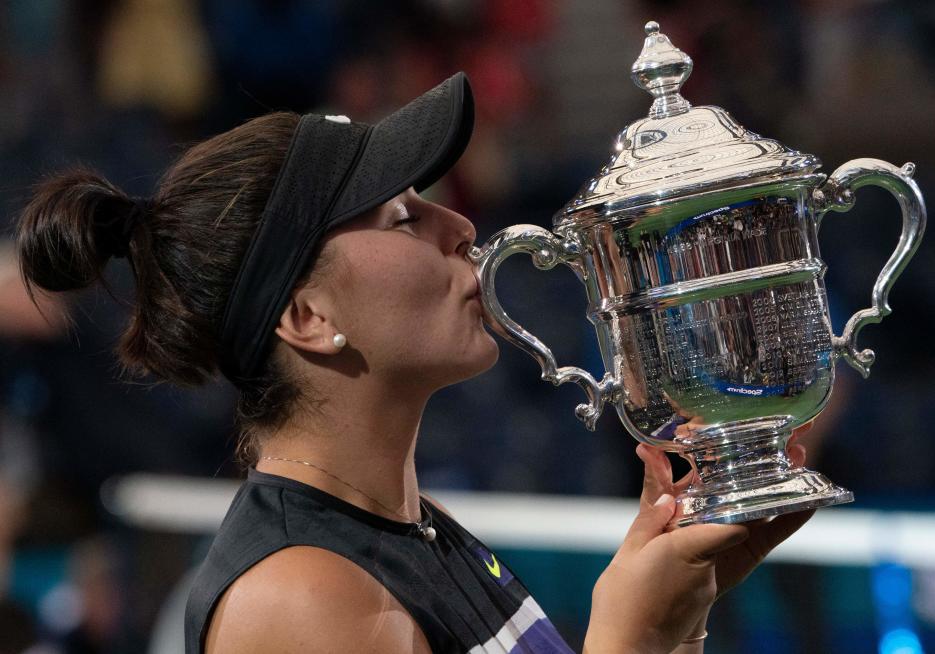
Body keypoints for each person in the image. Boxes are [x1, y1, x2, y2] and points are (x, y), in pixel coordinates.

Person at [17, 72, 812, 654]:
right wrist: (625, 635)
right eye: (402, 217)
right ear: (306, 316)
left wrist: (672, 623)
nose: (461, 225)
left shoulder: (411, 534)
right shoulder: (300, 602)